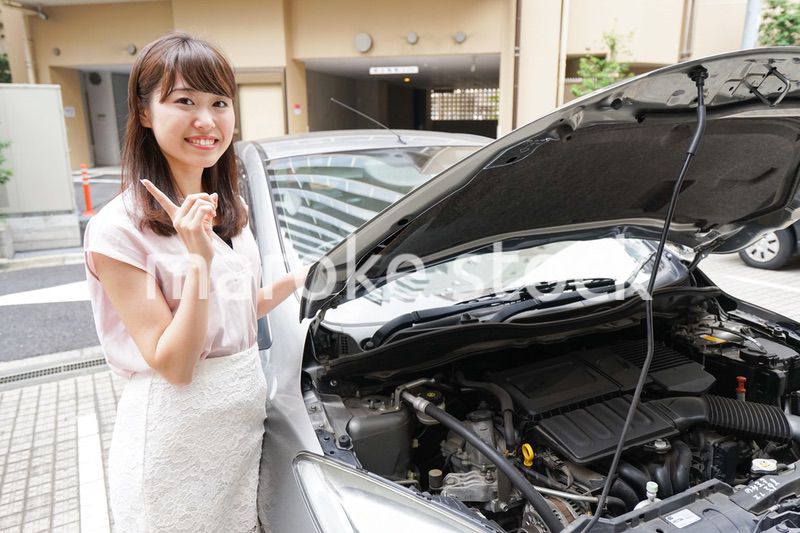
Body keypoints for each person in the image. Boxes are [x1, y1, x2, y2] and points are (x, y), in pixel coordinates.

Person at [83, 32, 302, 532]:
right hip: (175, 436)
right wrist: (198, 262)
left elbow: (236, 312)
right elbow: (175, 364)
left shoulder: (230, 208)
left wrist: (303, 278)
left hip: (240, 428)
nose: (206, 120)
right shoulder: (118, 229)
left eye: (219, 103)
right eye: (184, 101)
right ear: (144, 112)